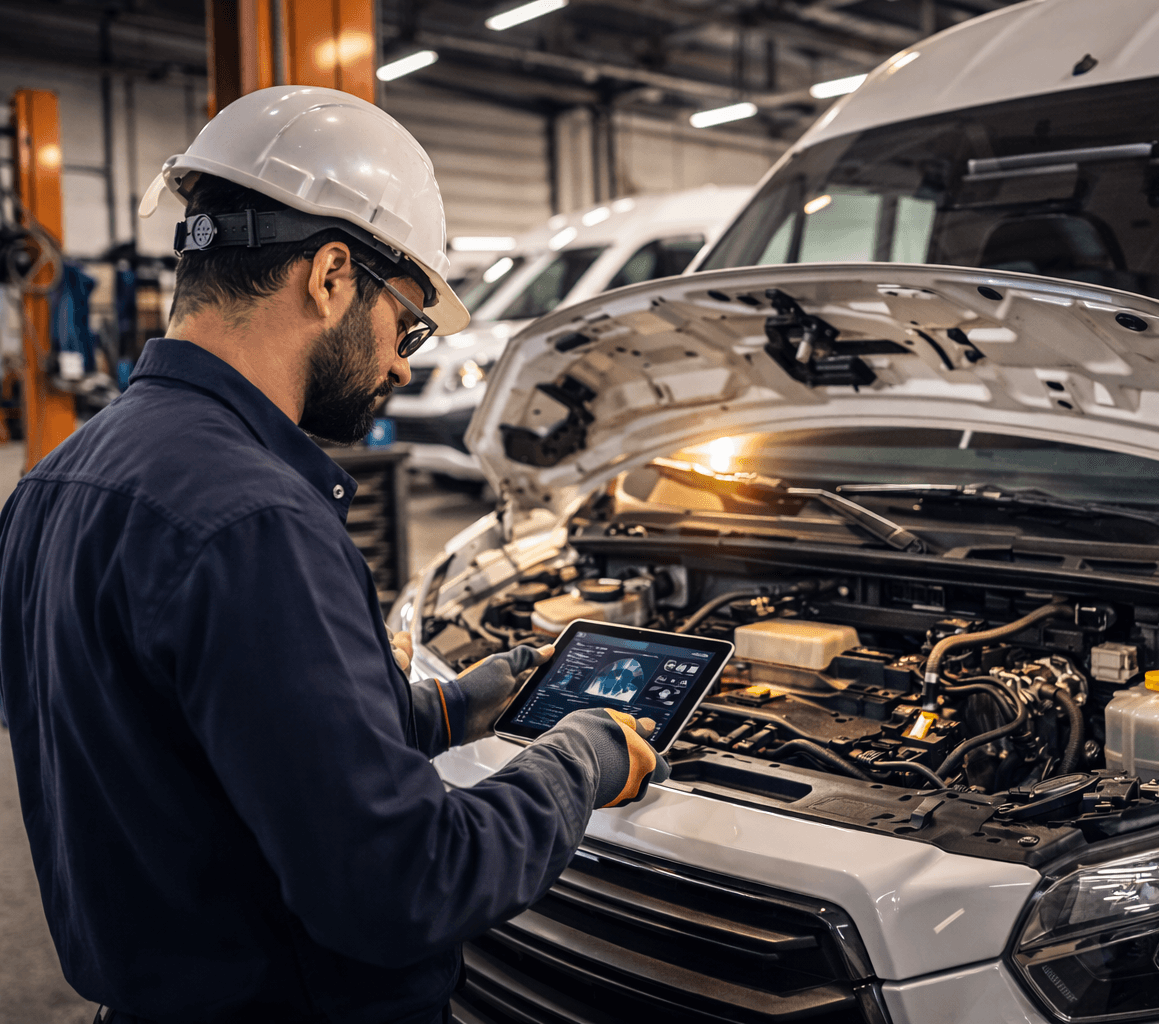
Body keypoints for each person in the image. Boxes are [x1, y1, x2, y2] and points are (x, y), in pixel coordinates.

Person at [0, 86, 667, 1024]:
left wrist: (450, 707)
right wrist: (579, 757)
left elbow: (198, 744)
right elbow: (405, 884)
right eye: (409, 324)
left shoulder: (52, 483)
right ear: (330, 275)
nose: (401, 365)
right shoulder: (256, 520)